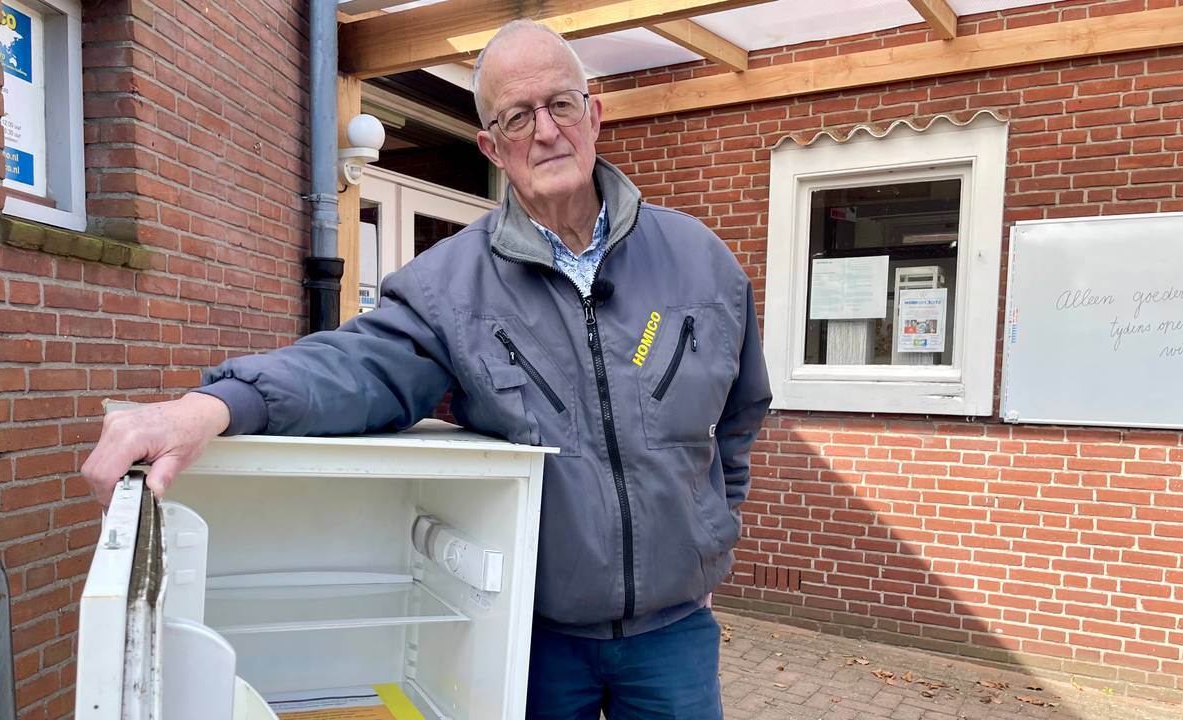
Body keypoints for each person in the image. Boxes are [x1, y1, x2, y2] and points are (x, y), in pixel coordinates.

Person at [82, 20, 771, 719]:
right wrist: (210, 409)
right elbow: (353, 368)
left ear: (592, 114)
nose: (545, 131)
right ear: (492, 146)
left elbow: (740, 419)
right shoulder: (452, 287)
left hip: (675, 637)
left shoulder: (700, 262)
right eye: (516, 116)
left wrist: (709, 530)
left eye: (561, 104)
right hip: (537, 642)